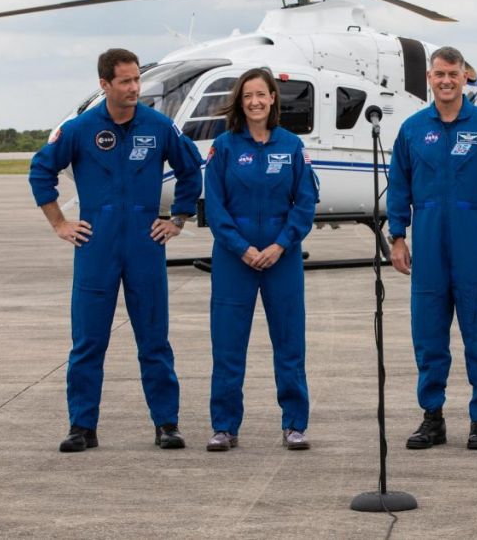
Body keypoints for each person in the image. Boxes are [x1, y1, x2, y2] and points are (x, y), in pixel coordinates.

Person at [29, 48, 203, 453]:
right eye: (124, 81)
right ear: (104, 84)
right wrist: (59, 222)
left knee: (154, 340)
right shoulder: (79, 128)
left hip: (145, 243)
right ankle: (81, 426)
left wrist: (177, 218)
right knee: (88, 341)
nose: (133, 89)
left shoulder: (159, 126)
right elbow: (41, 169)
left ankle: (166, 424)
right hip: (96, 245)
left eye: (137, 80)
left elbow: (191, 169)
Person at [386, 46, 477, 451]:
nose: (446, 81)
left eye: (453, 74)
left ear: (465, 77)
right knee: (428, 337)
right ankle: (432, 417)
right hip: (428, 247)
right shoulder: (412, 130)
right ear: (429, 78)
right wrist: (397, 237)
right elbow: (398, 188)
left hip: (475, 246)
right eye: (439, 74)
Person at [203, 67, 318, 452]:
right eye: (248, 95)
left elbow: (304, 203)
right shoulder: (224, 148)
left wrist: (281, 245)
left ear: (273, 99)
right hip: (234, 259)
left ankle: (295, 424)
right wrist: (242, 248)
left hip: (281, 258)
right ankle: (224, 426)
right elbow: (215, 208)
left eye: (261, 95)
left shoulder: (292, 146)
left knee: (289, 344)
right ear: (241, 100)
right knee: (228, 345)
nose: (255, 101)